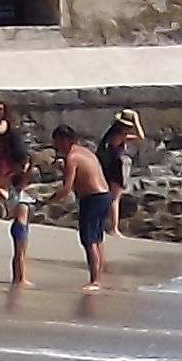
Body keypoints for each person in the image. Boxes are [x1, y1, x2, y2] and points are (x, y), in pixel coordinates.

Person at [57, 119, 120, 290]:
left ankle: (95, 280)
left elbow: (67, 187)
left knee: (89, 240)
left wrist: (49, 200)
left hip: (92, 198)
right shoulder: (85, 152)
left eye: (57, 143)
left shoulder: (72, 157)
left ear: (64, 140)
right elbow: (84, 177)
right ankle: (99, 277)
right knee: (98, 238)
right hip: (104, 195)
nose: (56, 147)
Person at [0, 106, 32, 291]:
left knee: (18, 255)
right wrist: (30, 165)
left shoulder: (14, 194)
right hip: (20, 226)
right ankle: (20, 279)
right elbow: (25, 176)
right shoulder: (20, 194)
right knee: (20, 254)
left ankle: (18, 278)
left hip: (17, 225)